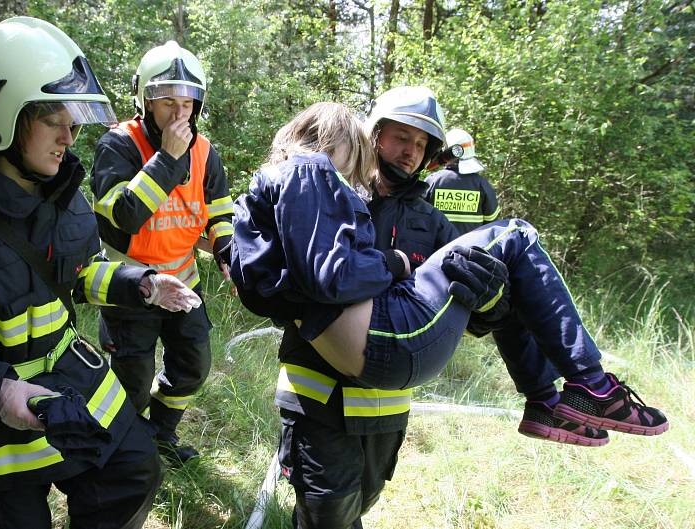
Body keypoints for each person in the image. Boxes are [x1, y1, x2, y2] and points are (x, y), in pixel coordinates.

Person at [230, 101, 669, 528]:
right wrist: (394, 263)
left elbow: (474, 318)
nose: (410, 152)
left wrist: (490, 298)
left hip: (385, 396)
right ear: (373, 134)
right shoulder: (328, 191)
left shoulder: (433, 223)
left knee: (359, 505)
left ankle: (545, 399)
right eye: (402, 137)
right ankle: (585, 386)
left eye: (421, 145)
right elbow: (315, 275)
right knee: (326, 509)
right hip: (319, 391)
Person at [0, 17, 202, 529]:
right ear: (3, 118)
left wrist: (141, 283)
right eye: (52, 119)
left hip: (73, 386)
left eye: (74, 119)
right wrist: (2, 392)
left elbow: (79, 275)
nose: (70, 135)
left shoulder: (63, 197)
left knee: (135, 470)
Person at [90, 41, 234, 465]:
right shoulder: (117, 146)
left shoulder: (206, 151)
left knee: (193, 363)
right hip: (131, 287)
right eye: (167, 101)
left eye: (187, 103)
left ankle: (160, 435)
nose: (178, 113)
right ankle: (125, 452)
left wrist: (225, 246)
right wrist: (168, 160)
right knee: (132, 382)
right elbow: (123, 216)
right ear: (145, 102)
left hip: (183, 282)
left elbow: (219, 208)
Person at [425, 127, 500, 234]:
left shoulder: (432, 182)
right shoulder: (481, 184)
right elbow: (492, 223)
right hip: (471, 248)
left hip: (437, 249)